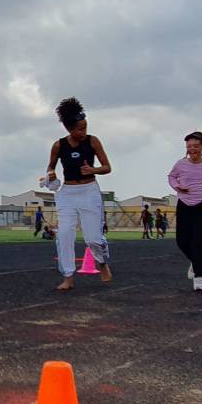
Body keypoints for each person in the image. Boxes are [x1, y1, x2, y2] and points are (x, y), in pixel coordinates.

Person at [44, 97, 113, 291]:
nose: (84, 131)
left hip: (89, 191)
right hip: (67, 194)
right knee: (65, 234)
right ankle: (68, 276)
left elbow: (107, 167)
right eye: (80, 129)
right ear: (69, 129)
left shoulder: (93, 141)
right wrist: (50, 175)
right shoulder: (58, 146)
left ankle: (102, 262)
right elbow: (50, 167)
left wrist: (93, 170)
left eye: (85, 127)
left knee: (93, 239)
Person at [167, 130, 202, 292]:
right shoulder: (180, 164)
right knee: (182, 240)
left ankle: (199, 276)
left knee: (198, 238)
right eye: (189, 146)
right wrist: (177, 186)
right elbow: (171, 177)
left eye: (196, 146)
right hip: (185, 203)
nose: (192, 149)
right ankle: (197, 261)